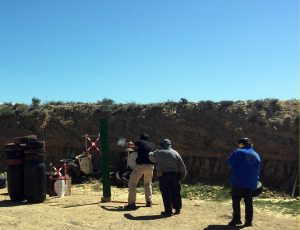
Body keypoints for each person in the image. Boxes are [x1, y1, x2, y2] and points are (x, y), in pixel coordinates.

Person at [227, 137, 261, 227]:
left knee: (236, 199)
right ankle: (249, 221)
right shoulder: (256, 154)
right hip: (251, 182)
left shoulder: (238, 151)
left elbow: (230, 162)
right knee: (248, 201)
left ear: (242, 144)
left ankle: (236, 219)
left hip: (238, 180)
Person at [149, 139, 187, 216]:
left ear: (163, 145)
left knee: (166, 193)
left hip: (164, 175)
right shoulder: (176, 153)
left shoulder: (158, 152)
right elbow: (182, 167)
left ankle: (168, 211)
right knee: (176, 192)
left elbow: (150, 157)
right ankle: (177, 209)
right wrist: (182, 176)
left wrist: (151, 152)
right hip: (175, 175)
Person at [124, 133, 156, 209]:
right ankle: (149, 201)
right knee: (148, 184)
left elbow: (130, 145)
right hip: (151, 166)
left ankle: (131, 203)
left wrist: (128, 142)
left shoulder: (140, 142)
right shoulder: (152, 145)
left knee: (132, 184)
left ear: (141, 138)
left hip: (141, 166)